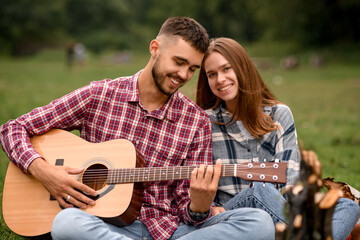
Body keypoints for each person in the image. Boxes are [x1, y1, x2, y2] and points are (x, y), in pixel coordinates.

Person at [0, 18, 275, 240]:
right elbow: (13, 128)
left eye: (192, 69)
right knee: (67, 223)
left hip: (171, 231)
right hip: (103, 224)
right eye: (178, 62)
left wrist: (199, 205)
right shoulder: (100, 94)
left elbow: (188, 213)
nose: (183, 75)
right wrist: (44, 172)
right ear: (155, 48)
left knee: (259, 222)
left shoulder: (196, 122)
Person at [196, 37, 360, 240]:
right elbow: (197, 191)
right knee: (258, 190)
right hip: (233, 218)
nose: (220, 79)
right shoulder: (203, 121)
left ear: (243, 68)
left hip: (279, 212)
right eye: (212, 74)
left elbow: (289, 185)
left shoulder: (278, 115)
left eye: (226, 69)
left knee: (348, 206)